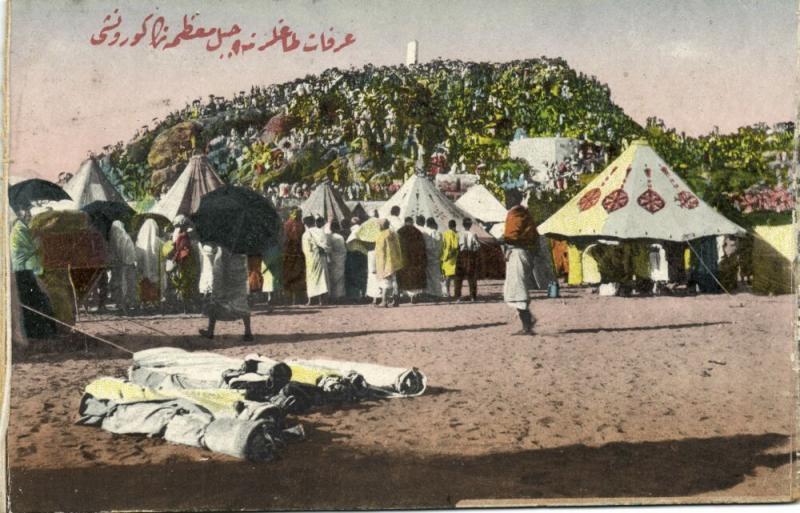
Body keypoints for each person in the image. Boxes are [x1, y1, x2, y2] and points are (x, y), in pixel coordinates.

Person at [10, 212, 56, 338]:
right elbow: (33, 247)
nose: (29, 217)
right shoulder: (20, 229)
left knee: (35, 300)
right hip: (23, 270)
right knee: (35, 300)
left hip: (27, 269)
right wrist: (39, 238)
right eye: (27, 215)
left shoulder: (23, 229)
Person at [502, 191, 538, 335]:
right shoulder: (525, 213)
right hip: (524, 252)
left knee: (518, 289)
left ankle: (527, 324)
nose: (506, 201)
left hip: (517, 252)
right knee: (517, 287)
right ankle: (527, 322)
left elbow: (512, 235)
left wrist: (502, 240)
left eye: (508, 198)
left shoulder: (515, 213)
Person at [200, 245, 253, 341]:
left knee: (216, 300)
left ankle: (210, 331)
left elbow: (220, 253)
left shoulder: (223, 238)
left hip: (226, 267)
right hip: (239, 265)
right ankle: (248, 332)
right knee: (241, 301)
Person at [167, 216, 200, 313]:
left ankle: (184, 306)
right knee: (187, 284)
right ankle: (186, 307)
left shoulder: (179, 235)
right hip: (185, 263)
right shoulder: (184, 236)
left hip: (183, 262)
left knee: (183, 284)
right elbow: (183, 250)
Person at [109, 220, 138, 314]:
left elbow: (115, 253)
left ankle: (121, 304)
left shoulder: (116, 238)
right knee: (127, 284)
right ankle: (126, 304)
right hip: (128, 264)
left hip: (121, 265)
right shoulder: (126, 237)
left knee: (120, 284)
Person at [396, 216, 427, 303]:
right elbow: (422, 247)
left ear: (405, 222)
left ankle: (406, 295)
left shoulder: (400, 231)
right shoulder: (417, 232)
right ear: (412, 222)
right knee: (415, 277)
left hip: (404, 258)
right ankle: (415, 295)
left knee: (404, 276)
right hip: (416, 258)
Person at [374, 218, 404, 307]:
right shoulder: (394, 233)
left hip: (385, 261)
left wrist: (379, 265)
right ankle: (396, 301)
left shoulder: (381, 235)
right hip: (396, 261)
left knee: (385, 282)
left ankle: (384, 301)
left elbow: (380, 251)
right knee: (395, 281)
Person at [135, 219, 163, 310]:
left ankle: (144, 302)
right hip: (155, 267)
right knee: (154, 283)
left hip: (143, 268)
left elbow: (137, 255)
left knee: (144, 283)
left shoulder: (140, 241)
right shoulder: (158, 241)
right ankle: (154, 302)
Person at [301, 215, 329, 305]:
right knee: (321, 277)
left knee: (311, 277)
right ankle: (321, 300)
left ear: (305, 224)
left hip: (311, 258)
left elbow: (306, 248)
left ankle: (312, 299)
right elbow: (325, 244)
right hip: (320, 256)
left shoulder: (306, 234)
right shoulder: (320, 231)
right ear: (314, 222)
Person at [282, 208, 306, 305]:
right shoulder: (297, 225)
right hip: (295, 253)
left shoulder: (287, 224)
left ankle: (291, 298)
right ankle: (295, 298)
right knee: (296, 275)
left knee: (292, 275)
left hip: (291, 253)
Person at [454, 218, 480, 302]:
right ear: (470, 225)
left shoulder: (459, 234)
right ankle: (473, 297)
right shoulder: (473, 234)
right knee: (471, 277)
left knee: (458, 277)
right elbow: (478, 246)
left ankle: (457, 297)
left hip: (461, 254)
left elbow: (456, 246)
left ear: (463, 224)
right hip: (470, 254)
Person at [345, 217, 368, 300]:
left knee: (354, 275)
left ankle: (356, 294)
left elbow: (347, 243)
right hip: (363, 254)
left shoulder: (351, 231)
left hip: (353, 254)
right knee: (362, 274)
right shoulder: (364, 230)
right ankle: (363, 293)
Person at [423, 217, 444, 300]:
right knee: (436, 276)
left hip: (429, 257)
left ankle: (431, 293)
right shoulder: (439, 233)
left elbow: (429, 246)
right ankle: (438, 293)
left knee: (429, 277)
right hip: (437, 257)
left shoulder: (427, 233)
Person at [327, 220, 348, 301]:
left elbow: (329, 248)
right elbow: (343, 248)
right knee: (340, 277)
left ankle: (332, 295)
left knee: (332, 276)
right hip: (341, 257)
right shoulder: (340, 237)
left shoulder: (330, 236)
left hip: (332, 257)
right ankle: (340, 295)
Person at [441, 219, 459, 298]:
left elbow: (443, 245)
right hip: (453, 257)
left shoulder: (444, 233)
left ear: (448, 226)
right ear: (455, 226)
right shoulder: (455, 234)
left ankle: (447, 292)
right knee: (455, 276)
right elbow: (455, 246)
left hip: (445, 257)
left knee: (447, 276)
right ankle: (455, 292)